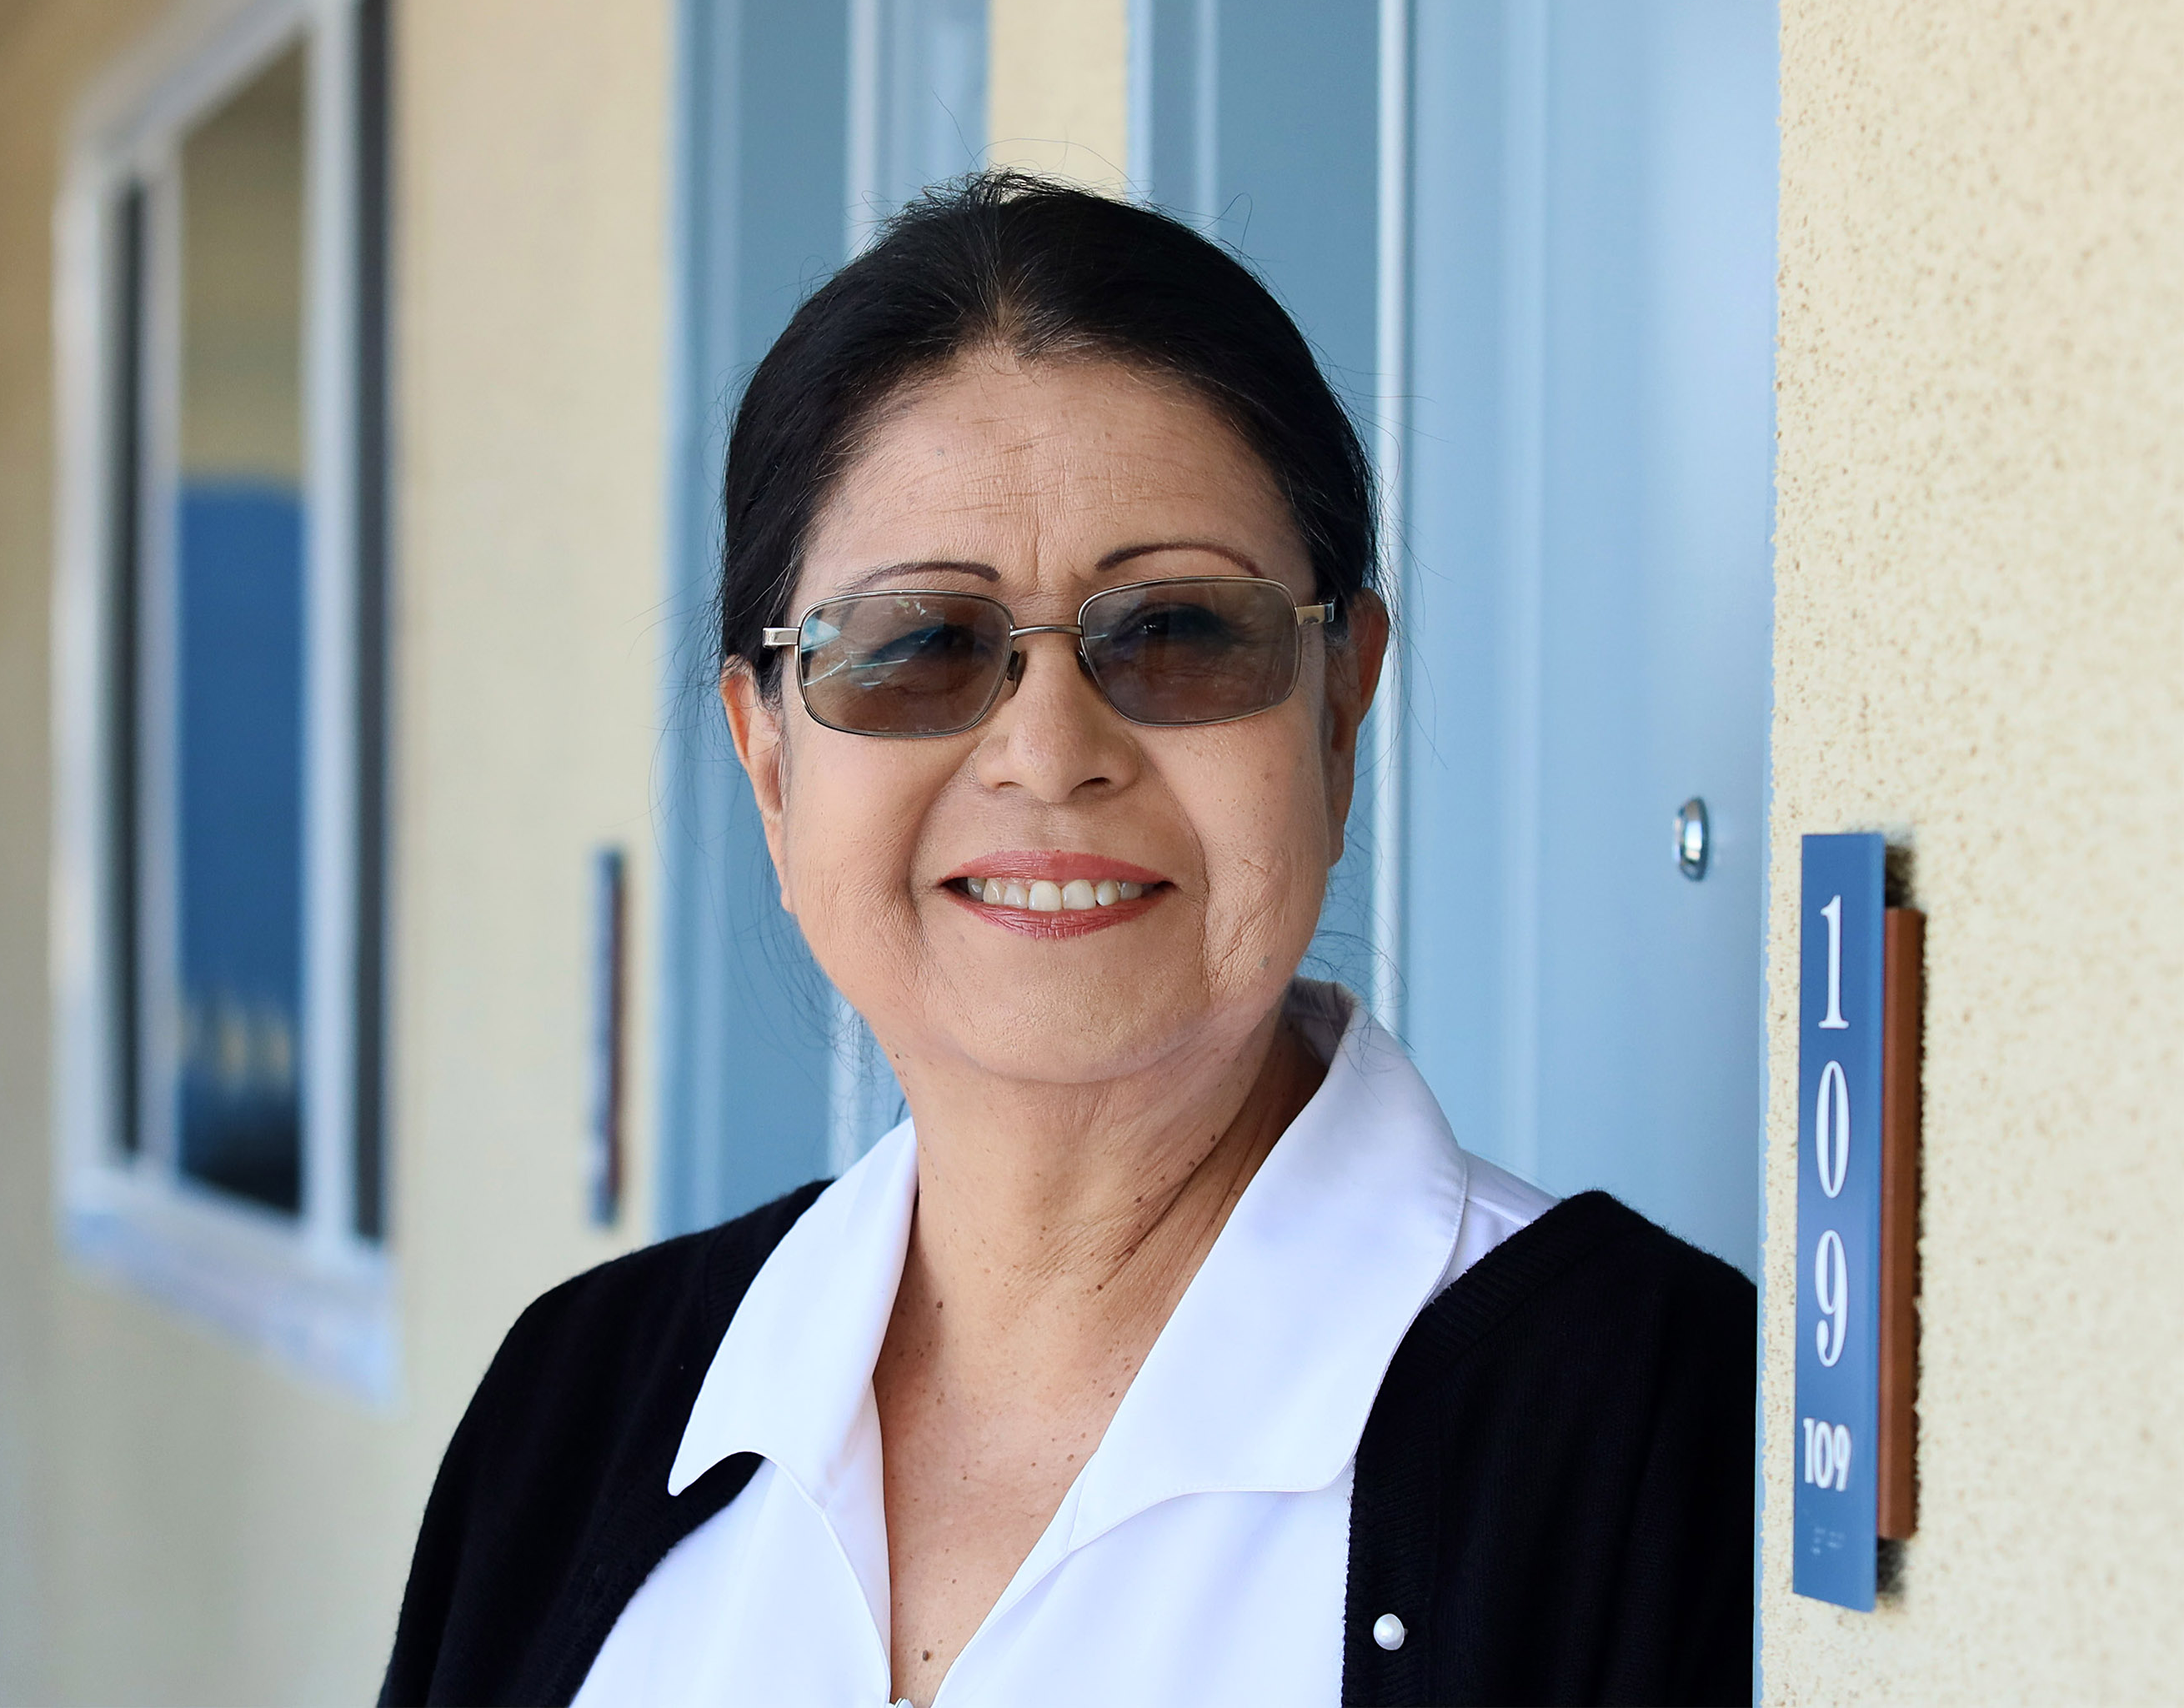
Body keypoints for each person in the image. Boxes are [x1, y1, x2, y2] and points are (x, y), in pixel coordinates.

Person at [378, 173, 1753, 1708]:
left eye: (1175, 630)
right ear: (767, 762)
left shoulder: (1666, 1435)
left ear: (1341, 708)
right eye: (916, 647)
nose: (1049, 750)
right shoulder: (576, 1407)